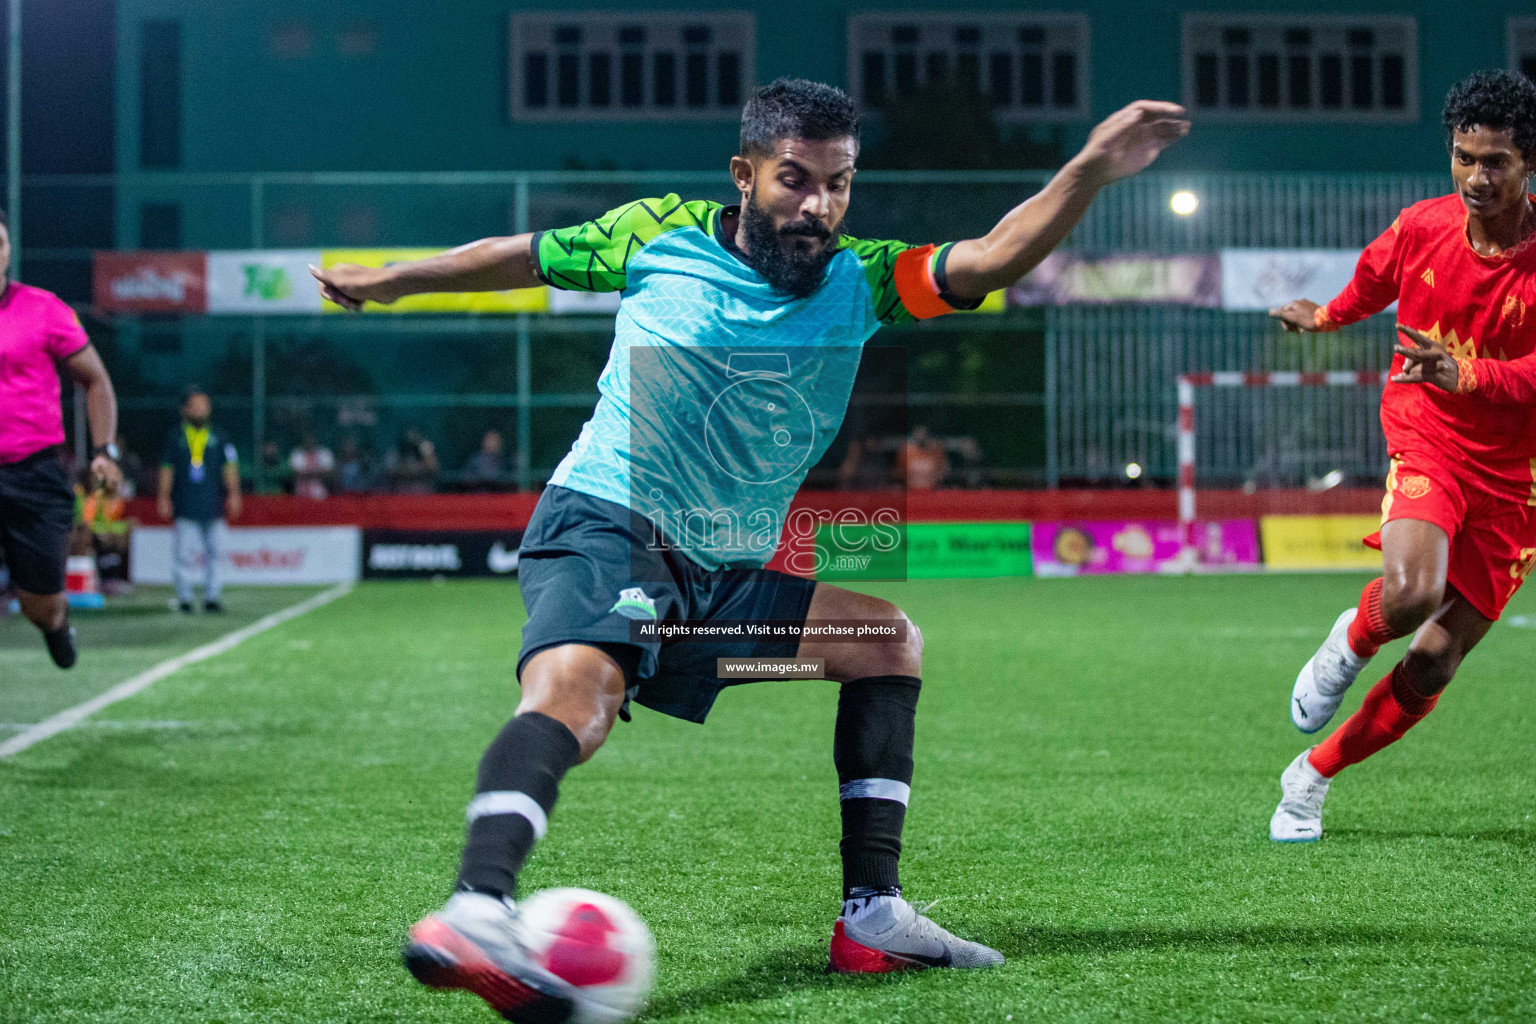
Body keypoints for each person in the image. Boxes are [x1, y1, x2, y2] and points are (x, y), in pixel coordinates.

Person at [315, 79, 1186, 1018]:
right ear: (743, 175)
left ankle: (872, 915)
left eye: (838, 184)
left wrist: (1090, 169)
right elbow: (519, 258)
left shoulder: (863, 278)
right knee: (579, 698)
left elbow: (987, 260)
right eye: (794, 180)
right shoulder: (656, 235)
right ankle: (478, 909)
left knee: (886, 641)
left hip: (717, 584)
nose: (817, 207)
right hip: (610, 526)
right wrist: (393, 278)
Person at [1267, 70, 1536, 842]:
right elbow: (1373, 280)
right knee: (1413, 593)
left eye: (1496, 163)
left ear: (1528, 164)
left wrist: (1469, 372)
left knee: (1435, 662)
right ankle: (1351, 638)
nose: (1476, 178)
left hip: (1519, 479)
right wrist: (1324, 317)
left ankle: (1312, 775)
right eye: (1463, 158)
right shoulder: (1421, 226)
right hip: (1430, 435)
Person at [0, 209, 122, 668]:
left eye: (0, 243)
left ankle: (54, 623)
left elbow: (96, 381)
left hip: (34, 475)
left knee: (40, 603)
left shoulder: (43, 308)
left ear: (9, 251)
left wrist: (104, 451)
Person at [157, 387, 241, 613]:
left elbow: (230, 467)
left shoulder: (220, 436)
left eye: (204, 405)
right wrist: (163, 496)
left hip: (213, 502)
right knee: (183, 552)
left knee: (216, 551)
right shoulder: (175, 437)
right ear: (184, 409)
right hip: (185, 501)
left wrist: (233, 494)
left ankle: (211, 597)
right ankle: (184, 597)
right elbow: (166, 469)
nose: (201, 410)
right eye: (195, 405)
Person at [387, 427, 439, 493]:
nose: (411, 438)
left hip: (424, 491)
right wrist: (410, 470)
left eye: (414, 435)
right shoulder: (395, 451)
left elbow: (433, 467)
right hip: (402, 492)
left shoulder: (424, 447)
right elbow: (390, 472)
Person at [289, 433, 335, 500]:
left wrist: (306, 472)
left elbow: (328, 472)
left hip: (320, 494)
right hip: (300, 493)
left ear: (315, 439)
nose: (309, 441)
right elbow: (297, 472)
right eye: (307, 439)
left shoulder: (325, 453)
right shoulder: (296, 454)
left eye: (311, 438)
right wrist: (318, 472)